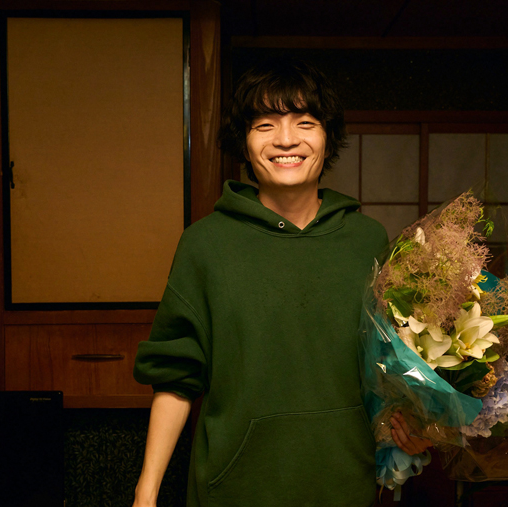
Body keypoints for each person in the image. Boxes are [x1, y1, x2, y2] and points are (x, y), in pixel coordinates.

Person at [132, 57, 430, 507]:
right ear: (244, 141)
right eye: (265, 125)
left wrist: (417, 425)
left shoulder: (367, 239)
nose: (286, 139)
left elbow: (389, 367)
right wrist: (146, 492)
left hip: (344, 481)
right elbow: (175, 377)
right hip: (235, 486)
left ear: (328, 138)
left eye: (305, 123)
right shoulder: (205, 244)